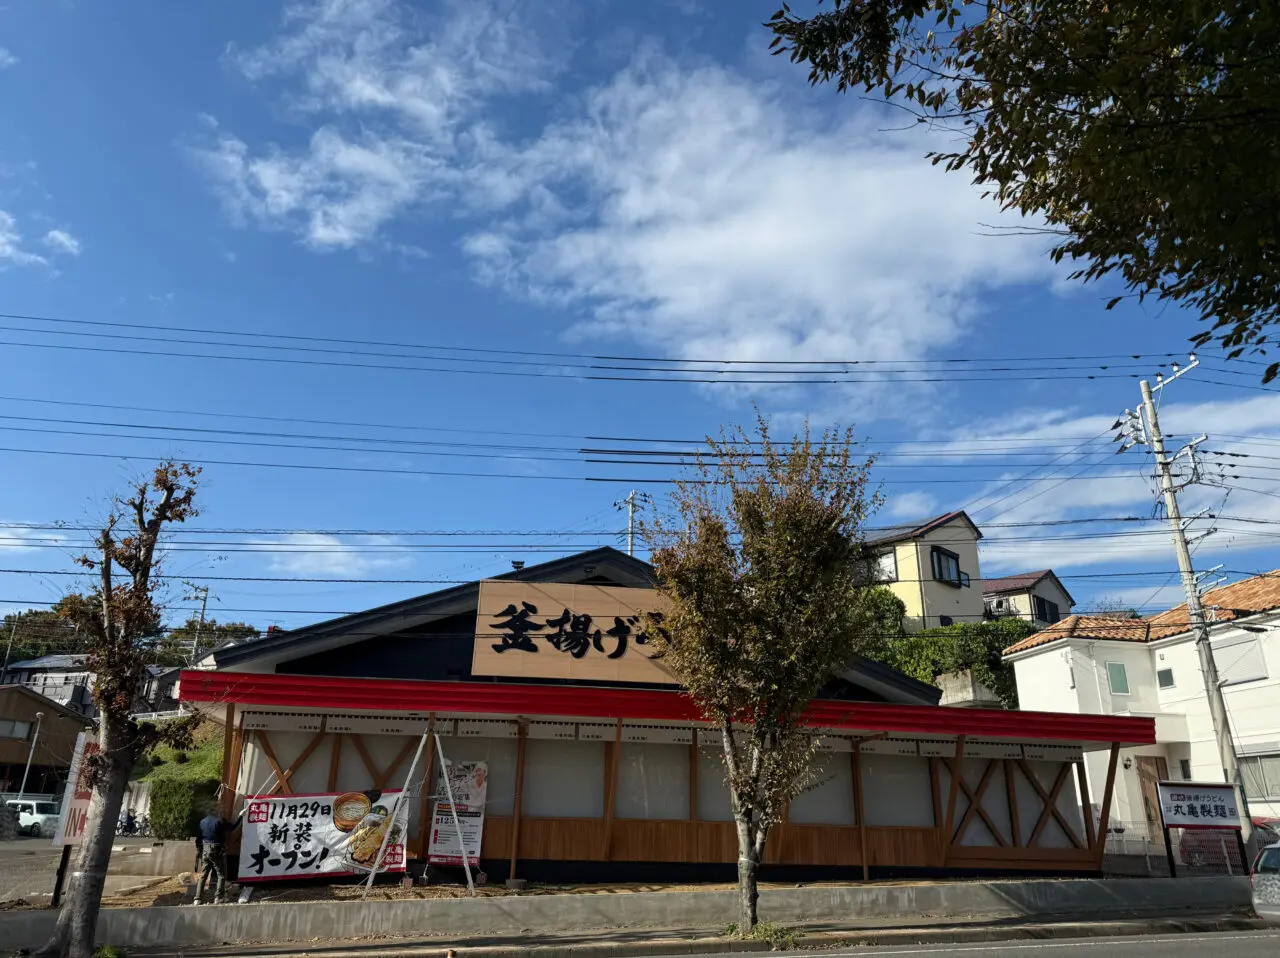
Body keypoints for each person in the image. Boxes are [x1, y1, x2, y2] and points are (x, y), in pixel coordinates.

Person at [194, 808, 241, 905]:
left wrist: (199, 849)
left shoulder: (202, 822)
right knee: (221, 875)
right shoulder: (219, 821)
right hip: (216, 850)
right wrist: (240, 817)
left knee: (203, 875)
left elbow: (198, 838)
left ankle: (197, 898)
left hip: (205, 850)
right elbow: (232, 827)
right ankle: (218, 897)